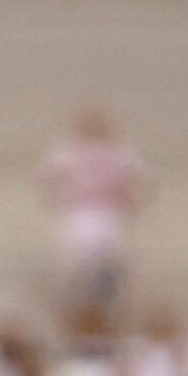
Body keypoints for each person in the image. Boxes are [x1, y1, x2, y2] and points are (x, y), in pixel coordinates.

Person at [41, 105, 144, 329]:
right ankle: (73, 311)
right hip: (80, 211)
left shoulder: (119, 152)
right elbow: (51, 177)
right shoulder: (68, 151)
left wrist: (128, 202)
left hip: (107, 213)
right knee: (75, 266)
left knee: (111, 265)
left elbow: (132, 181)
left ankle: (110, 313)